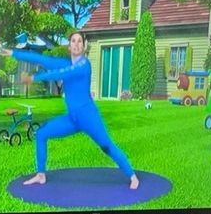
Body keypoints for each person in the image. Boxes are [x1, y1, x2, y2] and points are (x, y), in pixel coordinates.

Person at [13, 31, 141, 193]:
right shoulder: (66, 63)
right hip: (73, 119)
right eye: (73, 41)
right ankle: (40, 174)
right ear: (69, 46)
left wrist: (34, 79)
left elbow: (61, 74)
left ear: (84, 46)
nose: (76, 44)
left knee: (107, 146)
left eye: (79, 41)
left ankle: (132, 176)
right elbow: (42, 60)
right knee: (42, 133)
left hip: (89, 118)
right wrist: (13, 53)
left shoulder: (84, 65)